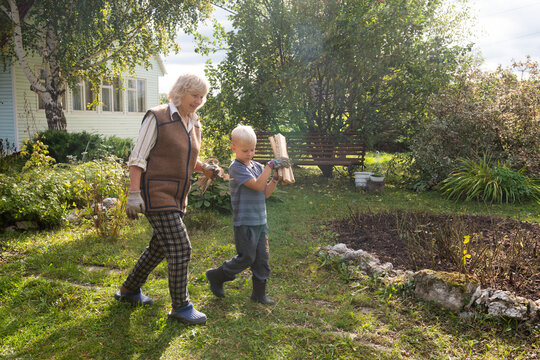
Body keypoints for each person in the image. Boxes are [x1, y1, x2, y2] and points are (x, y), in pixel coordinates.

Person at [115, 74, 220, 325]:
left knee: (159, 248)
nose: (198, 100)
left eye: (202, 96)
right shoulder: (158, 116)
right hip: (156, 192)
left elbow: (185, 159)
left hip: (178, 196)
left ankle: (129, 290)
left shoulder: (194, 124)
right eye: (194, 94)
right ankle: (181, 306)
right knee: (180, 247)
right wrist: (133, 194)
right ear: (181, 91)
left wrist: (204, 167)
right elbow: (137, 157)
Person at [205, 125, 291, 305]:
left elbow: (265, 192)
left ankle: (259, 294)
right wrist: (270, 166)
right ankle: (217, 275)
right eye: (245, 150)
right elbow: (257, 186)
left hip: (261, 221)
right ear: (233, 148)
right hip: (245, 223)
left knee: (262, 259)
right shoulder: (236, 168)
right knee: (247, 257)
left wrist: (275, 177)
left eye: (252, 150)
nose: (249, 154)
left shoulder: (258, 167)